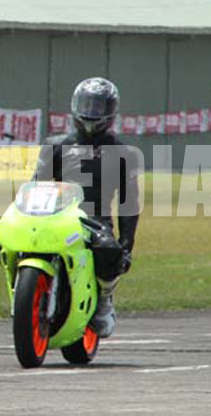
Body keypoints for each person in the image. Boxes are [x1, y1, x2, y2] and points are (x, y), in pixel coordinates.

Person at [32, 77, 141, 338]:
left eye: (98, 106)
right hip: (56, 217)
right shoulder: (55, 146)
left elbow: (129, 202)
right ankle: (25, 292)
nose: (92, 112)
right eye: (87, 105)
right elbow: (35, 186)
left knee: (108, 249)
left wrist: (126, 243)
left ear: (111, 111)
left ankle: (104, 298)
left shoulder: (123, 152)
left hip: (96, 222)